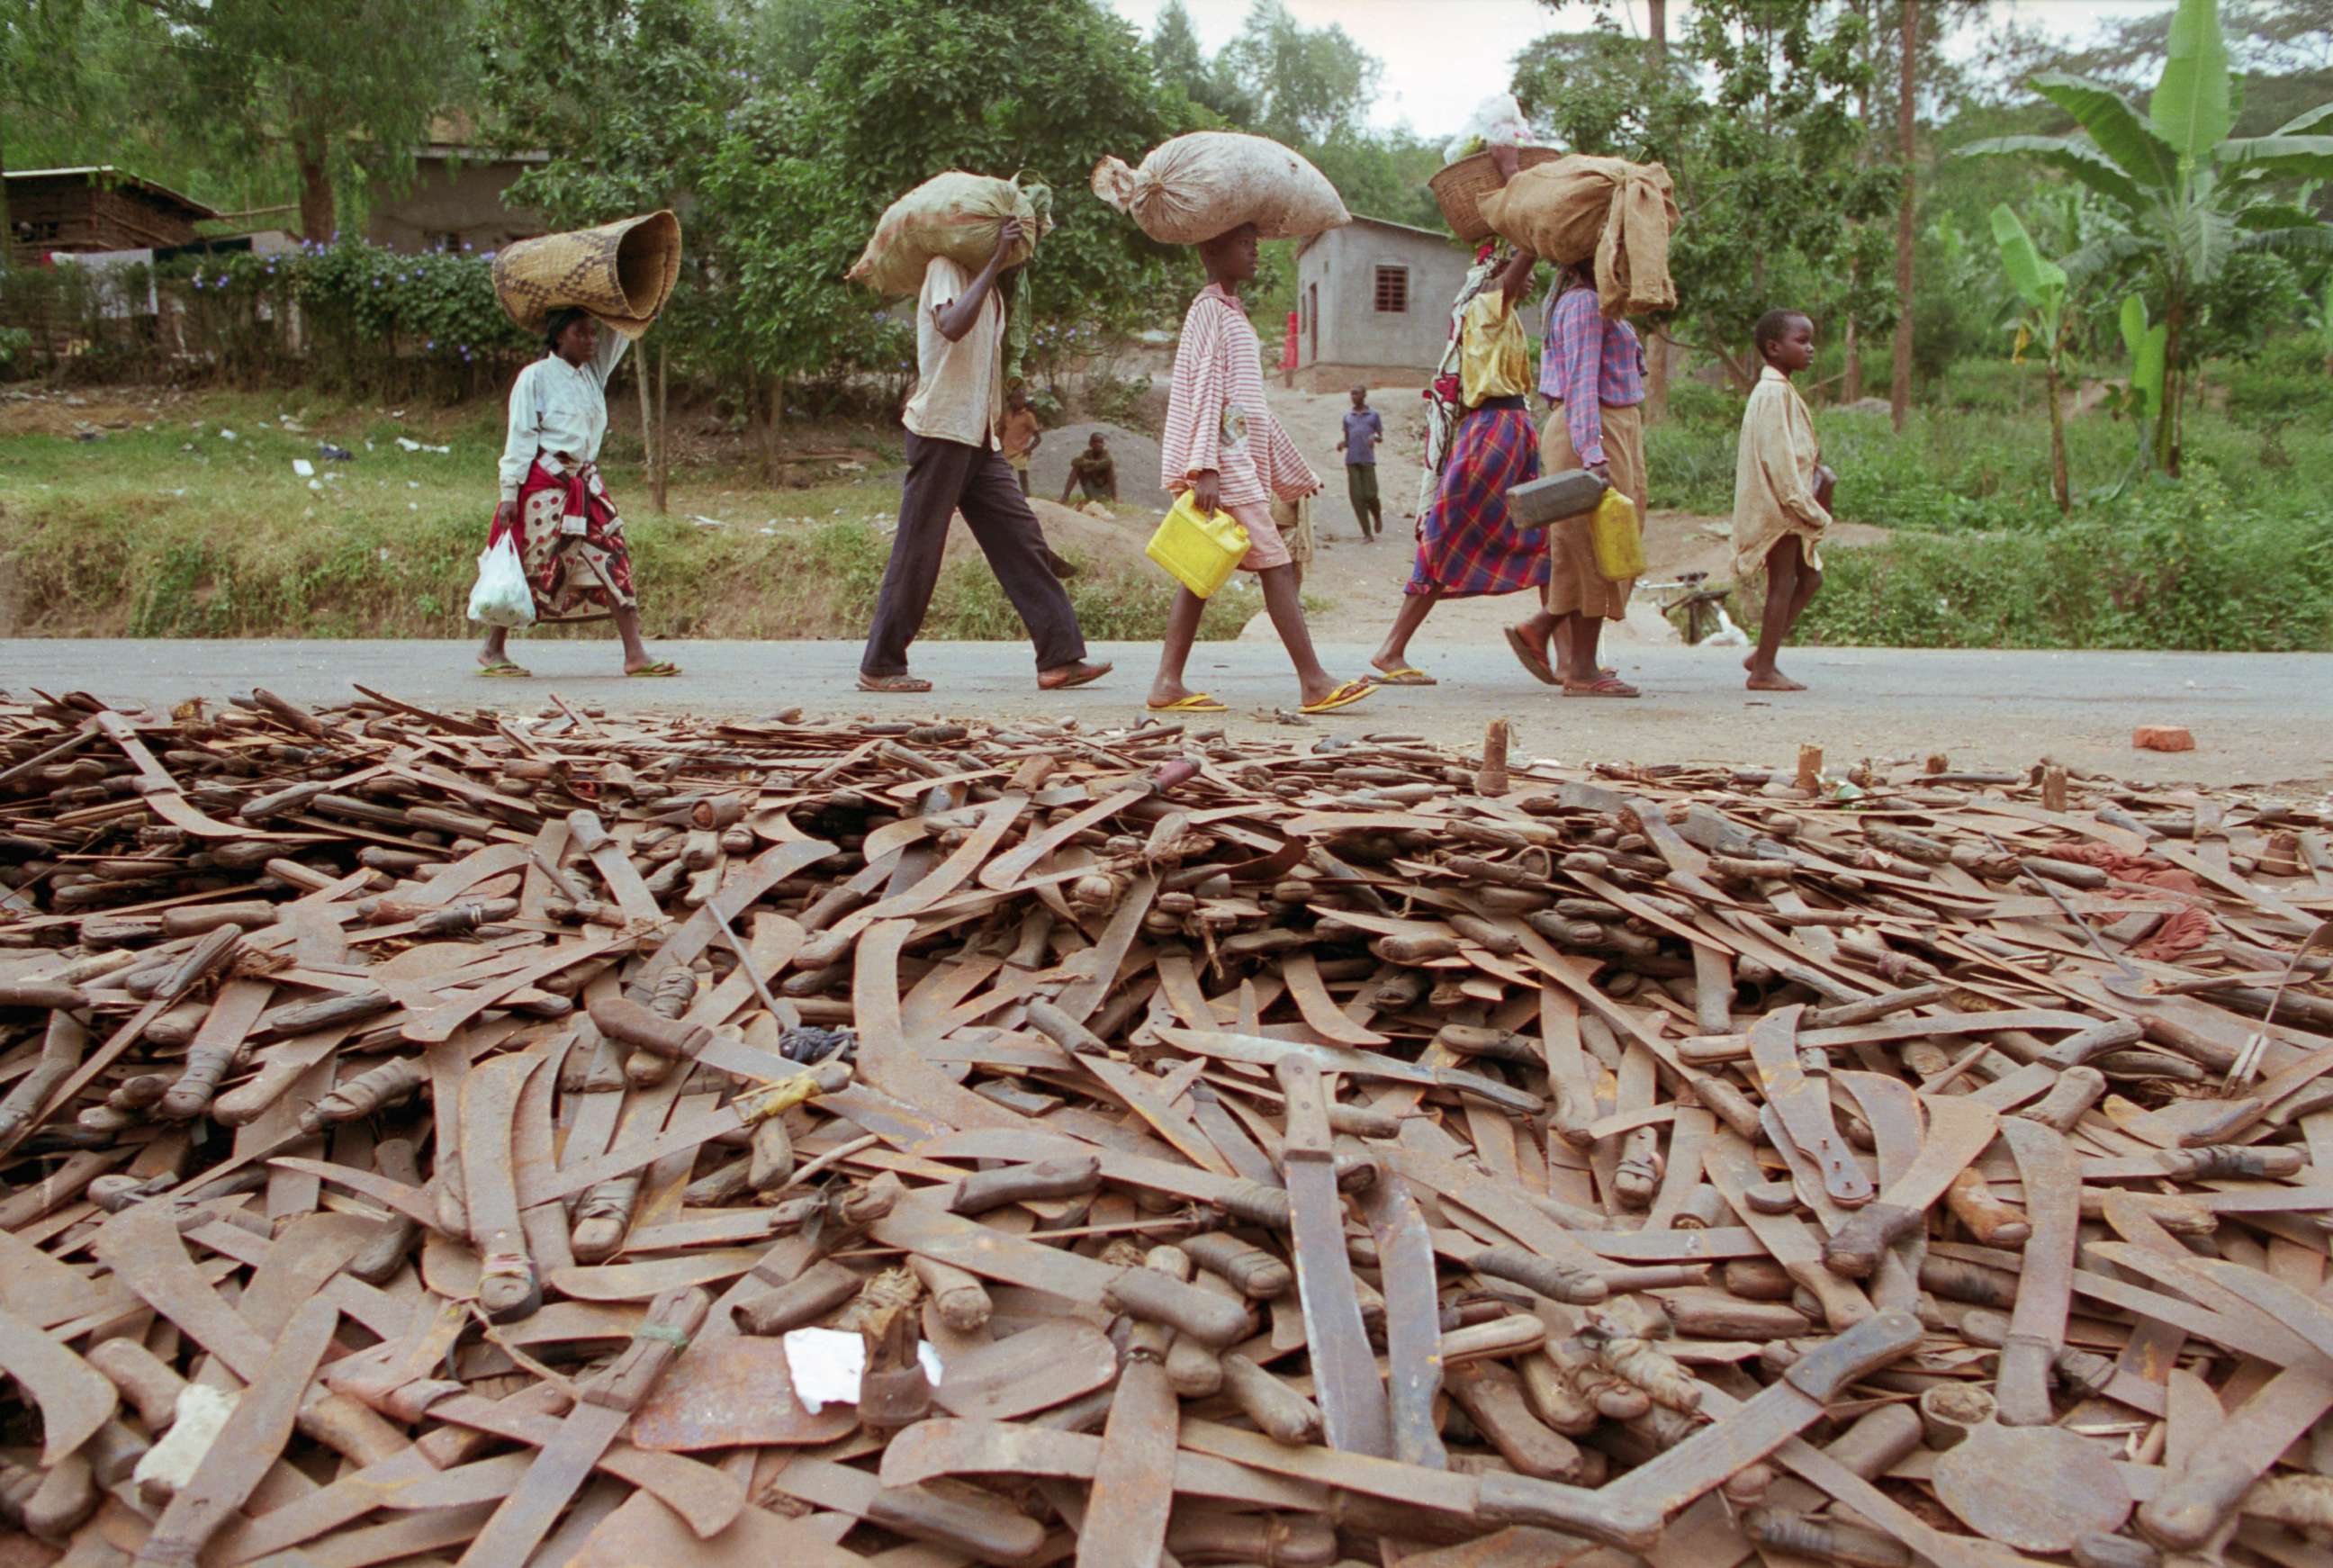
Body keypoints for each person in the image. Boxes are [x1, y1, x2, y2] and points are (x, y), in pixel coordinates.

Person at [858, 216, 1110, 695]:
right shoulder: (946, 269)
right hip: (939, 431)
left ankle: (1060, 658)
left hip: (978, 439)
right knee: (919, 550)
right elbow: (951, 325)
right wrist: (993, 263)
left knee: (1022, 538)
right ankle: (882, 664)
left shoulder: (989, 289)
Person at [1148, 221, 1372, 716]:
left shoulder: (1231, 311)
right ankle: (1313, 681)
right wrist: (1204, 465)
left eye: (1255, 244)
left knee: (1200, 569)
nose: (1254, 254)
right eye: (1244, 245)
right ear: (1212, 247)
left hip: (1235, 457)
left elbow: (1250, 404)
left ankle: (1168, 682)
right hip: (1224, 462)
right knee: (1276, 563)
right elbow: (1206, 388)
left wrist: (1291, 467)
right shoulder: (1210, 312)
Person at [1370, 147, 1553, 689]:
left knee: (1545, 537)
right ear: (1500, 267)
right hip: (1494, 431)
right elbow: (1533, 239)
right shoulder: (1489, 301)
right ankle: (1390, 649)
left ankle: (1558, 650)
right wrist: (1516, 174)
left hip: (1510, 430)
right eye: (1519, 270)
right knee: (1450, 537)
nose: (1529, 281)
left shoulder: (1499, 310)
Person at [479, 307, 678, 679]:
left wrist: (639, 308)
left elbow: (620, 334)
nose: (591, 340)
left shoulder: (592, 374)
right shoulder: (534, 378)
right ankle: (493, 648)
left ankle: (635, 654)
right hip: (544, 487)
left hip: (585, 486)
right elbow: (521, 436)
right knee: (530, 566)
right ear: (558, 337)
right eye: (581, 333)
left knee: (614, 555)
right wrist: (509, 492)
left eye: (592, 333)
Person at [1532, 256, 1650, 698]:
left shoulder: (1600, 305)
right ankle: (1581, 668)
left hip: (1609, 426)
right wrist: (1592, 452)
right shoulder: (1584, 305)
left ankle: (1547, 634)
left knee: (1608, 540)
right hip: (1593, 428)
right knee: (1592, 544)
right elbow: (1581, 382)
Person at [1734, 309, 1834, 692]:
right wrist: (1808, 510)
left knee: (1810, 578)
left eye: (1811, 341)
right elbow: (1778, 460)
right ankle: (1764, 670)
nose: (1810, 349)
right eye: (1802, 341)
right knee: (1786, 580)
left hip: (1785, 505)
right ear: (1774, 348)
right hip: (1779, 508)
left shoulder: (1780, 388)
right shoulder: (1774, 393)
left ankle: (1762, 653)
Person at [1335, 384, 1384, 540]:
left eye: (1356, 394)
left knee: (1371, 494)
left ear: (1364, 395)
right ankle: (1367, 533)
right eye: (1352, 394)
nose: (1353, 397)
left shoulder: (1373, 415)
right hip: (1352, 461)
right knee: (1357, 497)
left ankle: (1377, 516)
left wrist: (1374, 438)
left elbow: (1380, 436)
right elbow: (1349, 439)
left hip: (1367, 460)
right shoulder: (1348, 417)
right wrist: (1342, 444)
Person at [999, 386, 1043, 494]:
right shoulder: (1007, 415)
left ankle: (1027, 495)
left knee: (1022, 474)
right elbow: (1002, 430)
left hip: (1021, 451)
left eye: (1021, 398)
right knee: (1005, 475)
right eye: (1015, 398)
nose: (1018, 401)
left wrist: (1030, 448)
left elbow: (1038, 438)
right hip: (1006, 450)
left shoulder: (1028, 416)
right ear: (1010, 399)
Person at [1059, 433, 1118, 504]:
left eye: (1101, 442)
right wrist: (1090, 464)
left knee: (1109, 468)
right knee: (1077, 468)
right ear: (1090, 443)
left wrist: (1089, 464)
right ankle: (1065, 497)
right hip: (1090, 489)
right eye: (1096, 442)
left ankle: (1114, 497)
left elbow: (1108, 462)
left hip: (1104, 491)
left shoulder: (1106, 454)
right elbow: (1074, 462)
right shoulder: (1087, 453)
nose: (1099, 445)